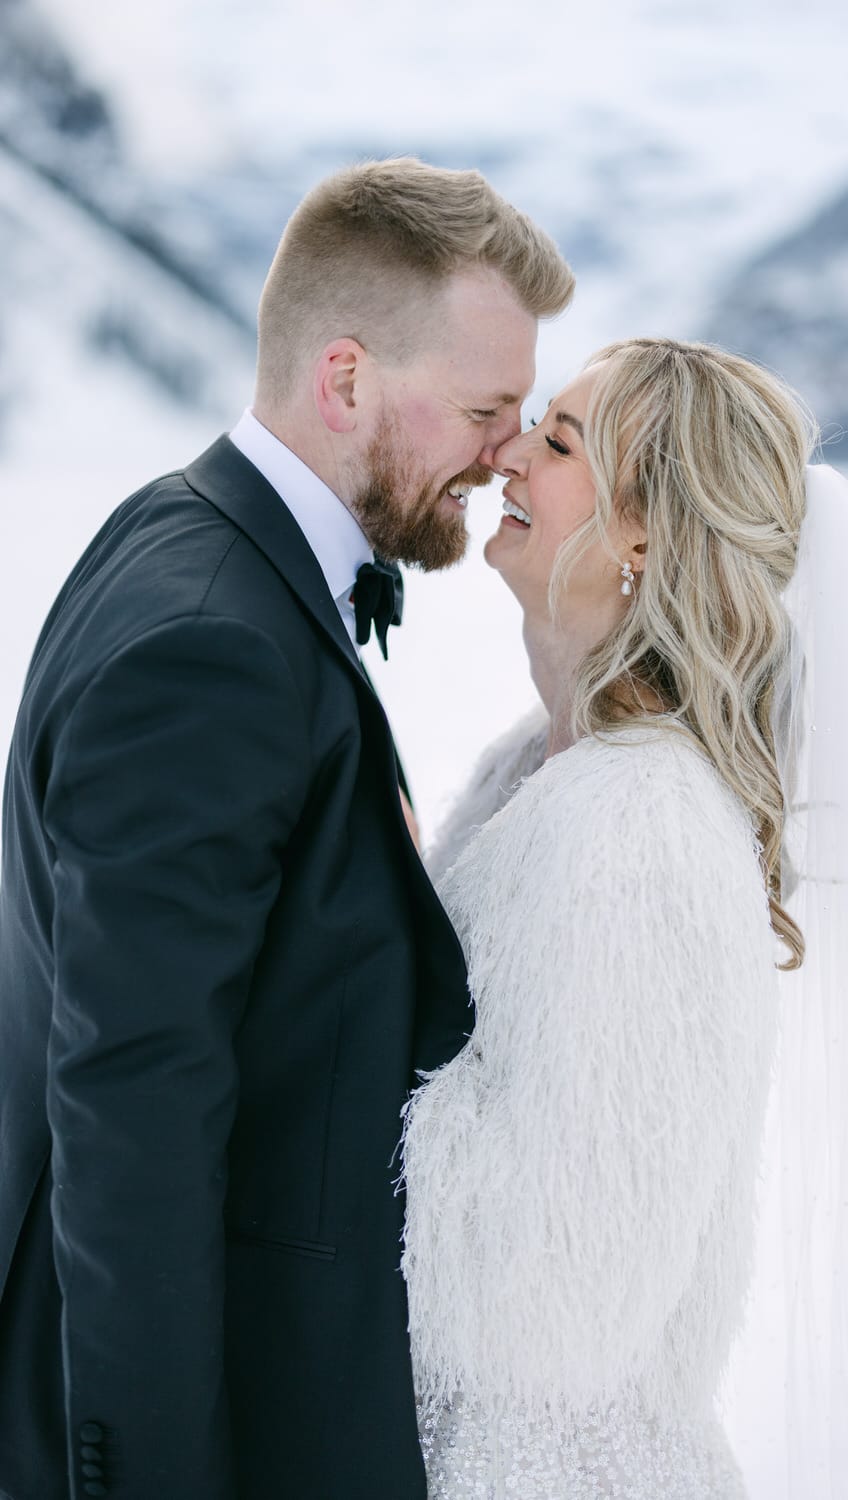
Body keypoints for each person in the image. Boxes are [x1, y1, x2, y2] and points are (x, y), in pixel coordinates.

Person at [0, 157, 574, 1500]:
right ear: (346, 380)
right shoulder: (213, 645)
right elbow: (133, 1108)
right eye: (489, 410)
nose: (505, 455)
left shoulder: (190, 534)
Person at [400, 337, 811, 1498]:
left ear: (642, 534)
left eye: (560, 442)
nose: (506, 456)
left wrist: (320, 1035)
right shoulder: (533, 768)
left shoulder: (637, 824)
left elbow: (553, 1294)